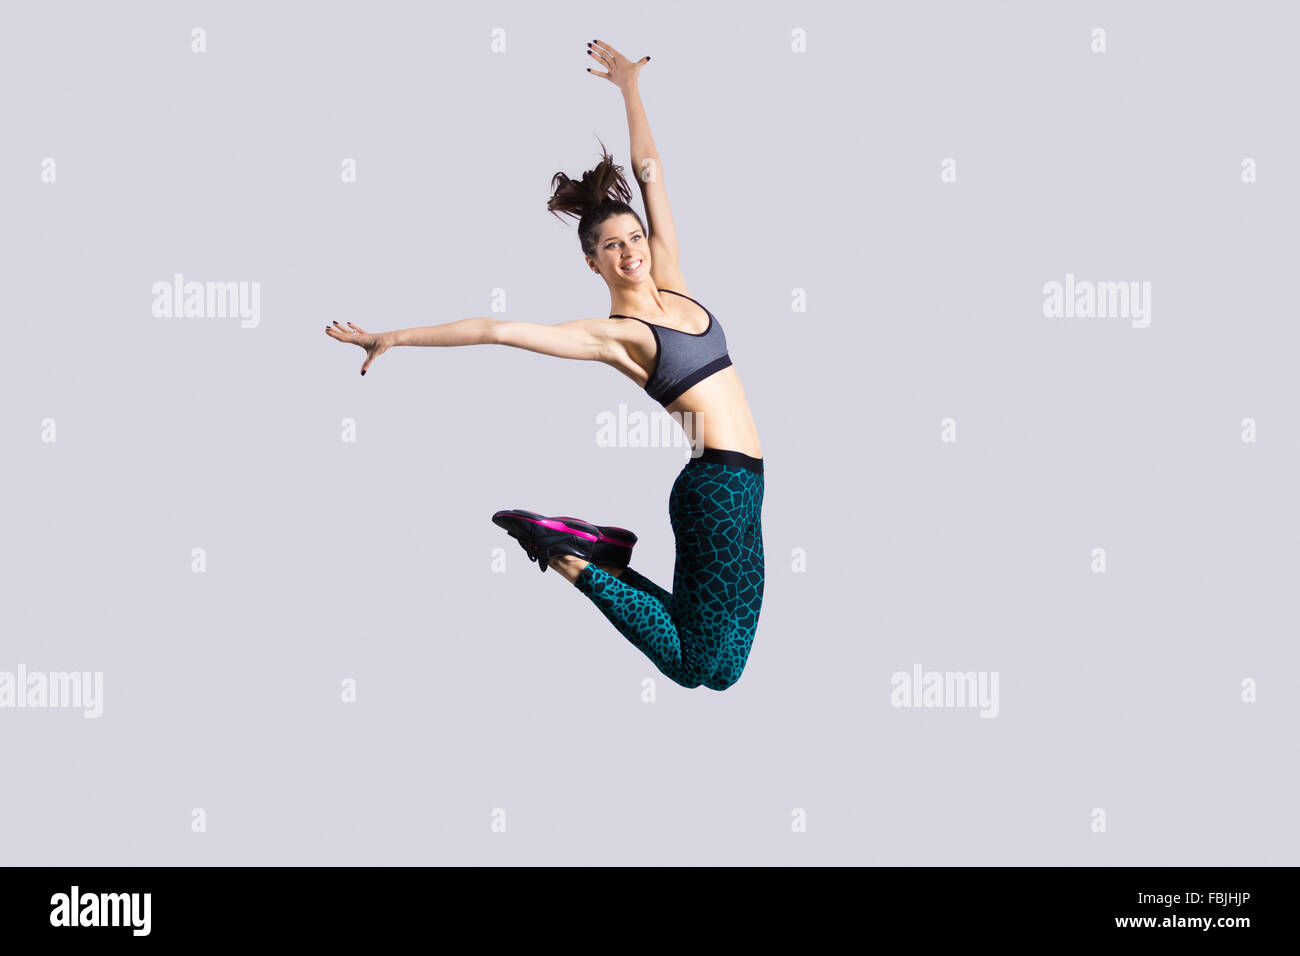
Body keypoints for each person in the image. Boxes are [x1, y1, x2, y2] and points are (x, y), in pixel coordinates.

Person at [326, 40, 764, 690]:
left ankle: (600, 554)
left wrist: (628, 88)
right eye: (612, 247)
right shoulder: (617, 336)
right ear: (592, 262)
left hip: (746, 487)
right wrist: (395, 336)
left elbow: (650, 172)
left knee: (722, 670)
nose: (630, 252)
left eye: (635, 237)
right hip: (715, 490)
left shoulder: (674, 280)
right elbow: (498, 329)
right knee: (696, 665)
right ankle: (570, 555)